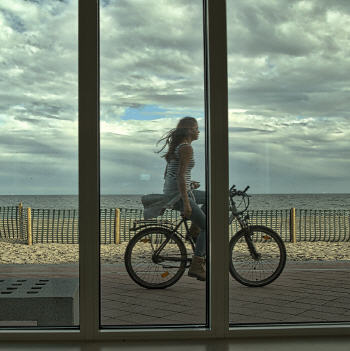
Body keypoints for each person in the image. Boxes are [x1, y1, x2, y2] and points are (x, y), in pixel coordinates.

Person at [156, 116, 206, 281]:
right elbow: (179, 176)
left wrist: (189, 182)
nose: (199, 131)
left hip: (175, 190)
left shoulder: (177, 146)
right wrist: (186, 203)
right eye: (197, 128)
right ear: (190, 130)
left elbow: (170, 174)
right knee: (209, 227)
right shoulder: (186, 148)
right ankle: (197, 265)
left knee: (212, 197)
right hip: (178, 194)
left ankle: (194, 230)